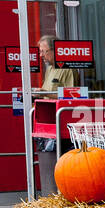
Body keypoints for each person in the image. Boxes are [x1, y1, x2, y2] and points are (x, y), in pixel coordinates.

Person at [33, 35, 77, 194]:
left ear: (55, 49)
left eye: (44, 51)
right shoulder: (50, 69)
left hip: (64, 123)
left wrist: (45, 93)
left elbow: (73, 95)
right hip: (48, 121)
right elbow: (48, 92)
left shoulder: (67, 69)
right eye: (40, 52)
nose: (41, 55)